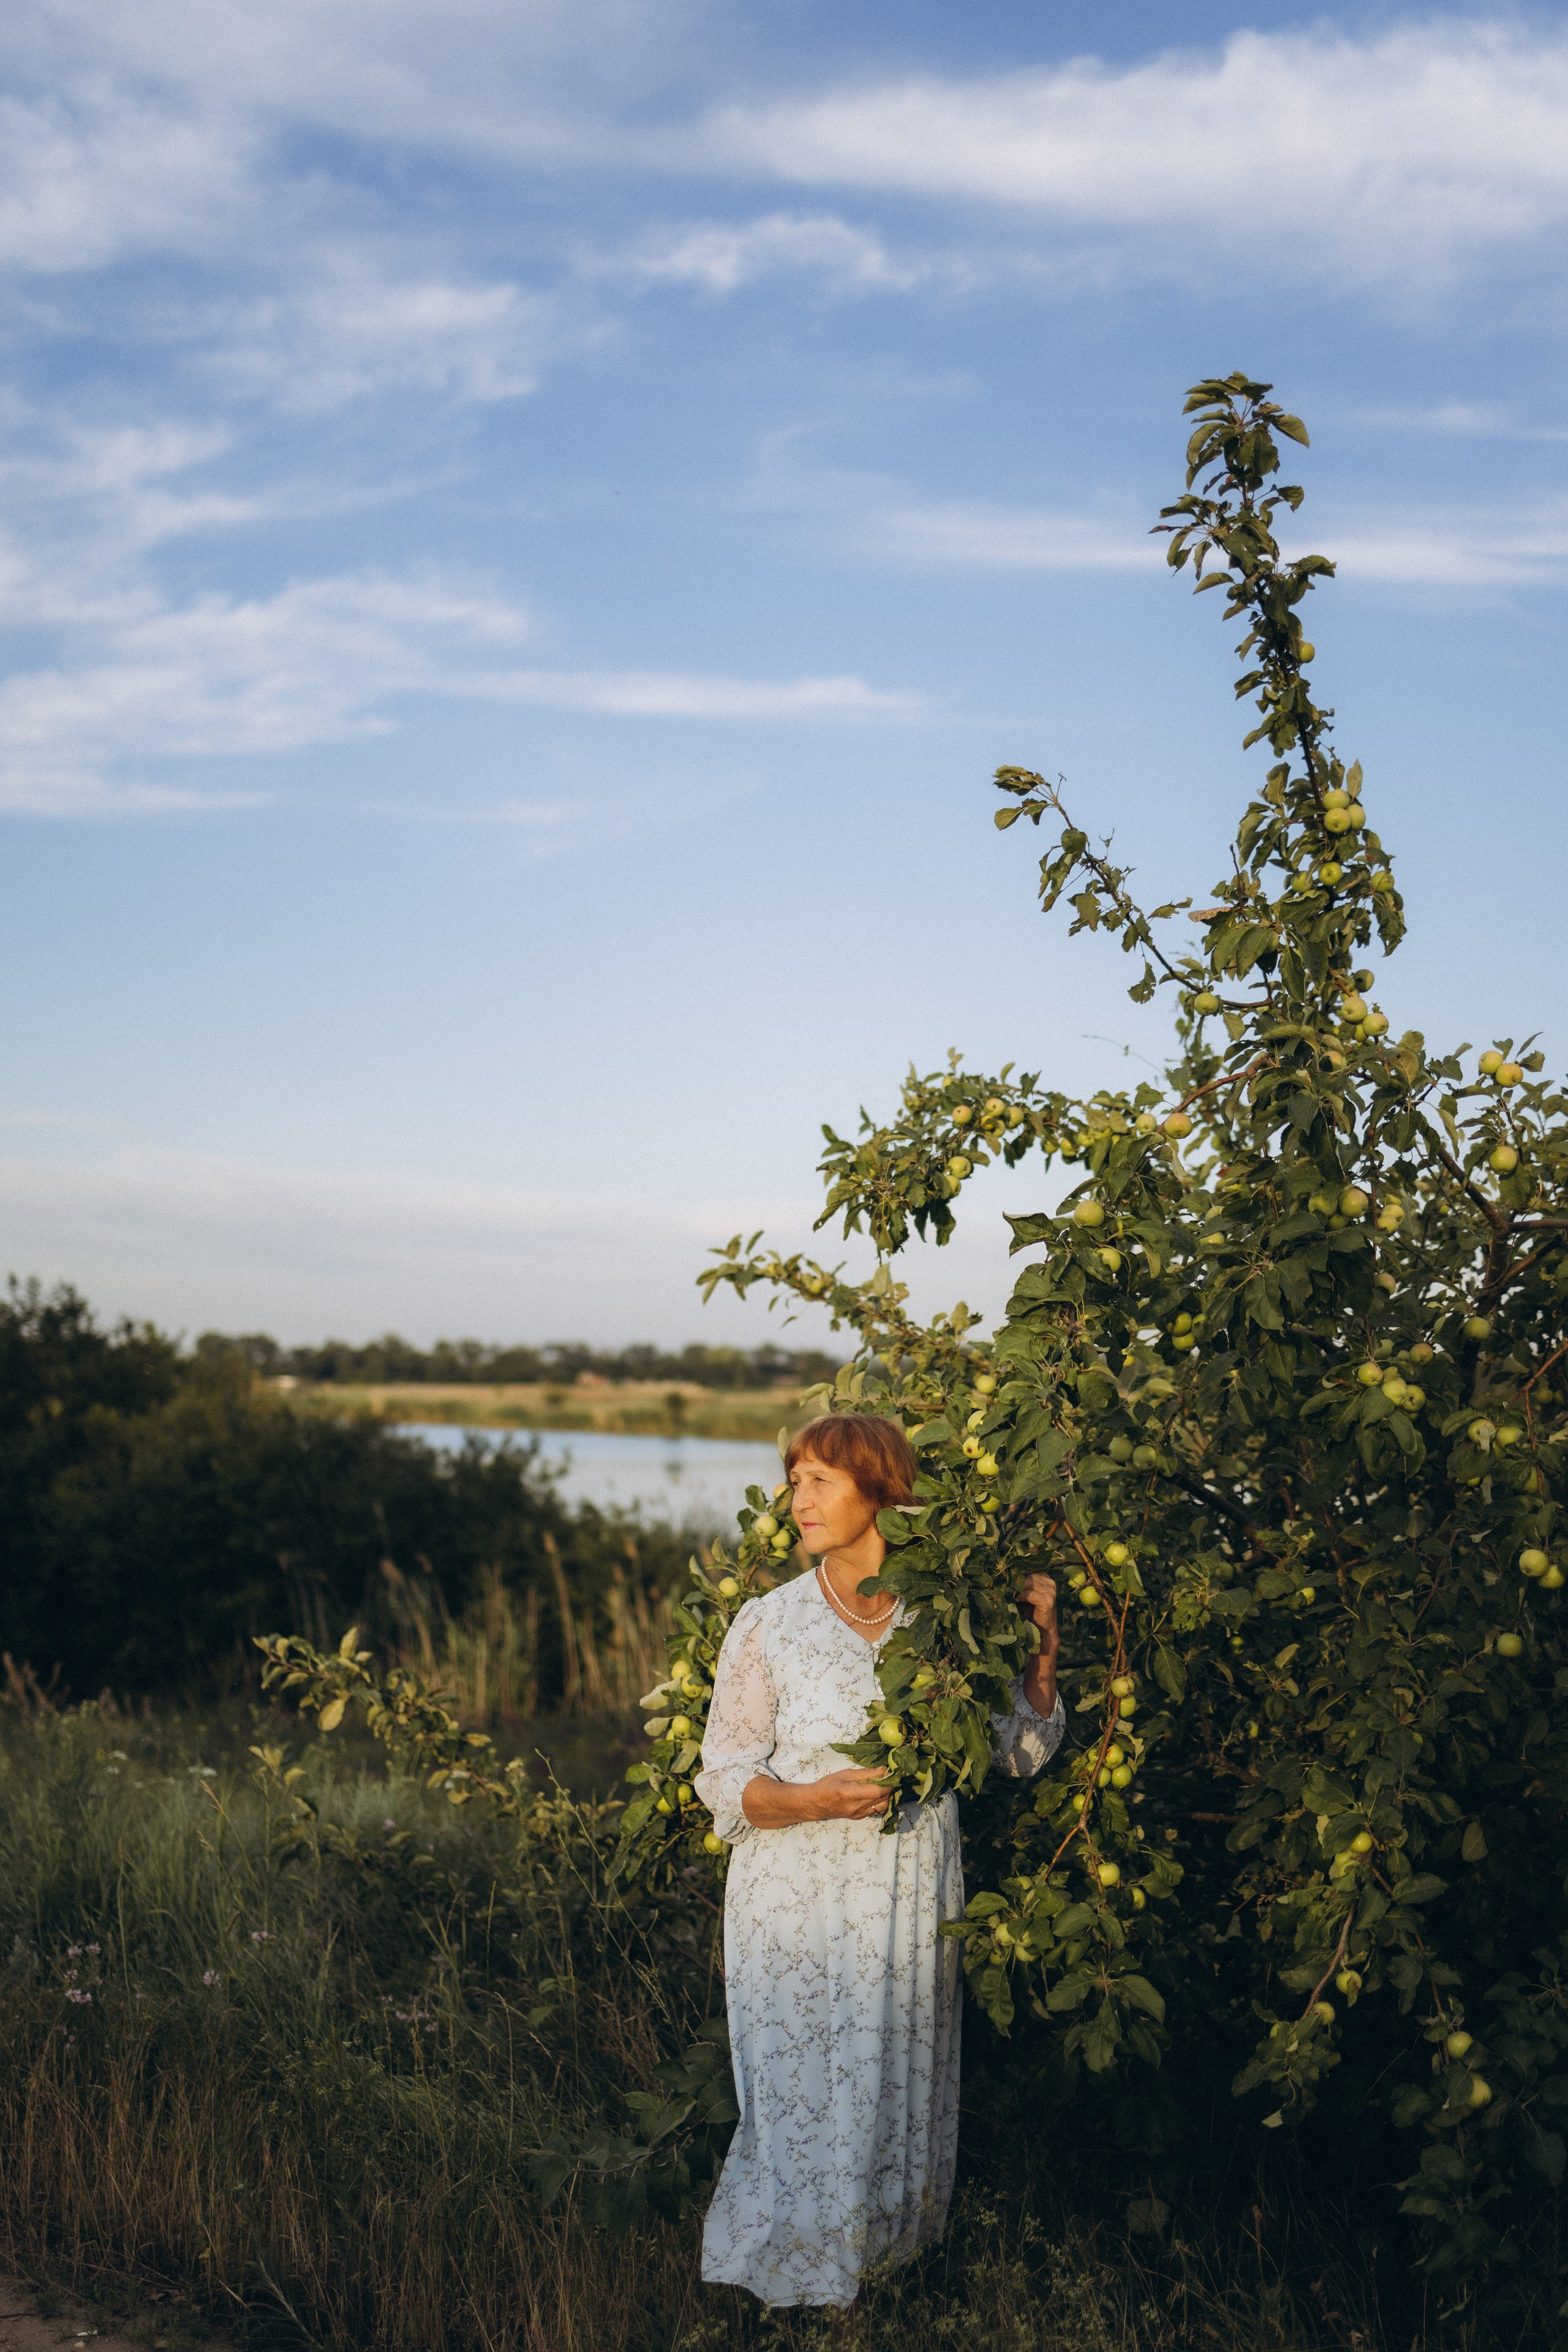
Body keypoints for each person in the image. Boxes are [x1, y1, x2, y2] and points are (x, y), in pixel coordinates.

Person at [693, 1411, 1062, 2310]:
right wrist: (814, 1800)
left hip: (907, 1892)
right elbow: (722, 1780)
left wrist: (1044, 1645)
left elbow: (1019, 1752)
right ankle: (789, 2279)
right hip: (795, 1893)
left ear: (882, 1488)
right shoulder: (768, 1623)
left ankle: (888, 2273)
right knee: (798, 2087)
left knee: (895, 2074)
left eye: (820, 1479)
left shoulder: (946, 1625)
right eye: (793, 1481)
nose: (799, 1498)